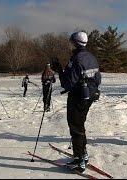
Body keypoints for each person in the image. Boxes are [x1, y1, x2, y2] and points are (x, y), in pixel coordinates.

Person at [51, 31, 101, 173]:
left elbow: (67, 83)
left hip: (78, 97)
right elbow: (97, 79)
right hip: (89, 95)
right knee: (80, 125)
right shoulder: (91, 57)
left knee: (75, 127)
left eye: (71, 42)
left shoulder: (76, 59)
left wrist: (59, 70)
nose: (70, 44)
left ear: (75, 43)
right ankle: (83, 155)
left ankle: (79, 161)